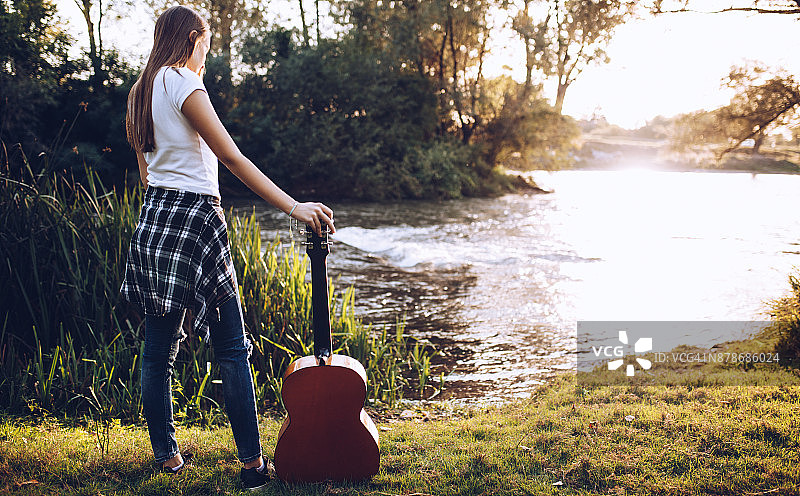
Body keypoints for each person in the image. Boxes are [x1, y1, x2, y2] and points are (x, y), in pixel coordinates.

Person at [120, 5, 335, 491]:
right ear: (193, 38)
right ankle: (253, 465)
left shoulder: (140, 91)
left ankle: (167, 457)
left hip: (154, 218)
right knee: (232, 347)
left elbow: (147, 174)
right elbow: (232, 158)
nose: (206, 56)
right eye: (206, 45)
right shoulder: (182, 82)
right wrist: (293, 206)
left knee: (157, 352)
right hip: (196, 220)